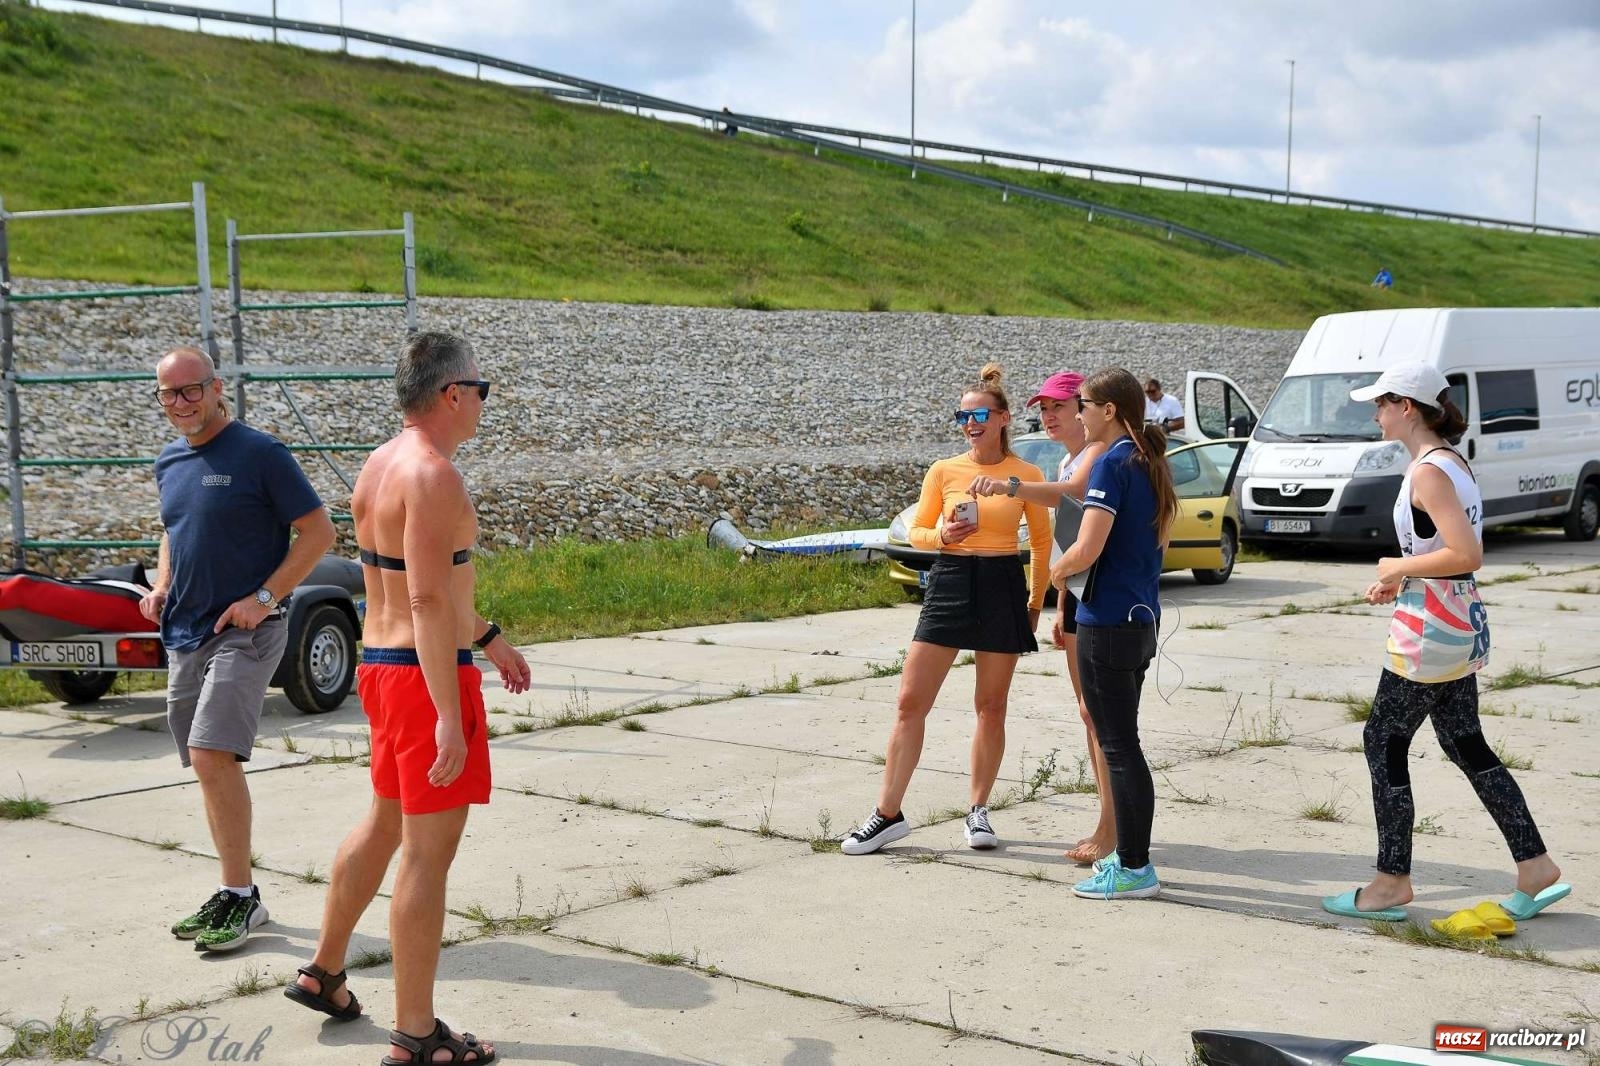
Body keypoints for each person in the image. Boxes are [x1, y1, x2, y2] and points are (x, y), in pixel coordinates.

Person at [286, 331, 530, 1065]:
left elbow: (418, 585)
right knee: (428, 855)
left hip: (382, 666)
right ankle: (417, 1034)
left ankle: (325, 971)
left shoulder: (379, 465)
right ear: (453, 394)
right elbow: (427, 599)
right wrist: (450, 718)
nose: (484, 403)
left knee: (385, 821)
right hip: (425, 678)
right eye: (483, 390)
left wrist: (488, 638)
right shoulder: (434, 476)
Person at [1321, 363, 1565, 924]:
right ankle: (1535, 865)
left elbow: (1466, 553)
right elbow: (1449, 552)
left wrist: (1393, 564)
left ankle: (1390, 882)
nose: (1375, 414)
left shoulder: (1428, 472)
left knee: (1383, 739)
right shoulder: (1451, 463)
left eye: (1381, 404)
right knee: (1463, 742)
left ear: (1408, 407)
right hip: (1454, 617)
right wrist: (1401, 578)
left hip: (1432, 627)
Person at [143, 347, 336, 952]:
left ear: (216, 386)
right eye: (169, 394)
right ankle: (233, 892)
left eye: (191, 390)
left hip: (248, 629)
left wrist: (263, 596)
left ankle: (242, 897)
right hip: (186, 631)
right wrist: (162, 583)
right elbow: (173, 529)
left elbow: (320, 530)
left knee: (209, 752)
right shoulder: (170, 459)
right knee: (207, 764)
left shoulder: (260, 453)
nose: (181, 404)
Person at [841, 363, 1051, 855]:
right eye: (962, 415)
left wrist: (1035, 603)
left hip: (1002, 581)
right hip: (952, 578)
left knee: (990, 706)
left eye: (979, 413)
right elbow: (917, 530)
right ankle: (887, 814)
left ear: (1002, 419)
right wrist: (943, 537)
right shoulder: (944, 470)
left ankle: (978, 811)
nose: (970, 422)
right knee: (910, 702)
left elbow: (1041, 543)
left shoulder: (1026, 475)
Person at [967, 371, 1114, 863]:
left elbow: (1069, 493)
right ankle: (1108, 820)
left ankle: (1111, 827)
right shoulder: (1071, 456)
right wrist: (1062, 603)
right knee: (1089, 714)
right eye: (1042, 409)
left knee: (1101, 718)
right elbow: (1072, 535)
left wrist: (1014, 485)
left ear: (1085, 407)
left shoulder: (1096, 455)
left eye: (1058, 406)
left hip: (1105, 601)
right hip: (1080, 597)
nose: (1048, 416)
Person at [1052, 367, 1178, 900]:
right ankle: (1132, 861)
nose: (1078, 412)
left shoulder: (1110, 462)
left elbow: (1087, 548)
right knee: (1126, 745)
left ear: (1108, 411)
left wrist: (1056, 575)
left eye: (1083, 403)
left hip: (1106, 624)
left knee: (1120, 748)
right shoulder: (1148, 461)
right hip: (1140, 620)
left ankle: (1132, 867)